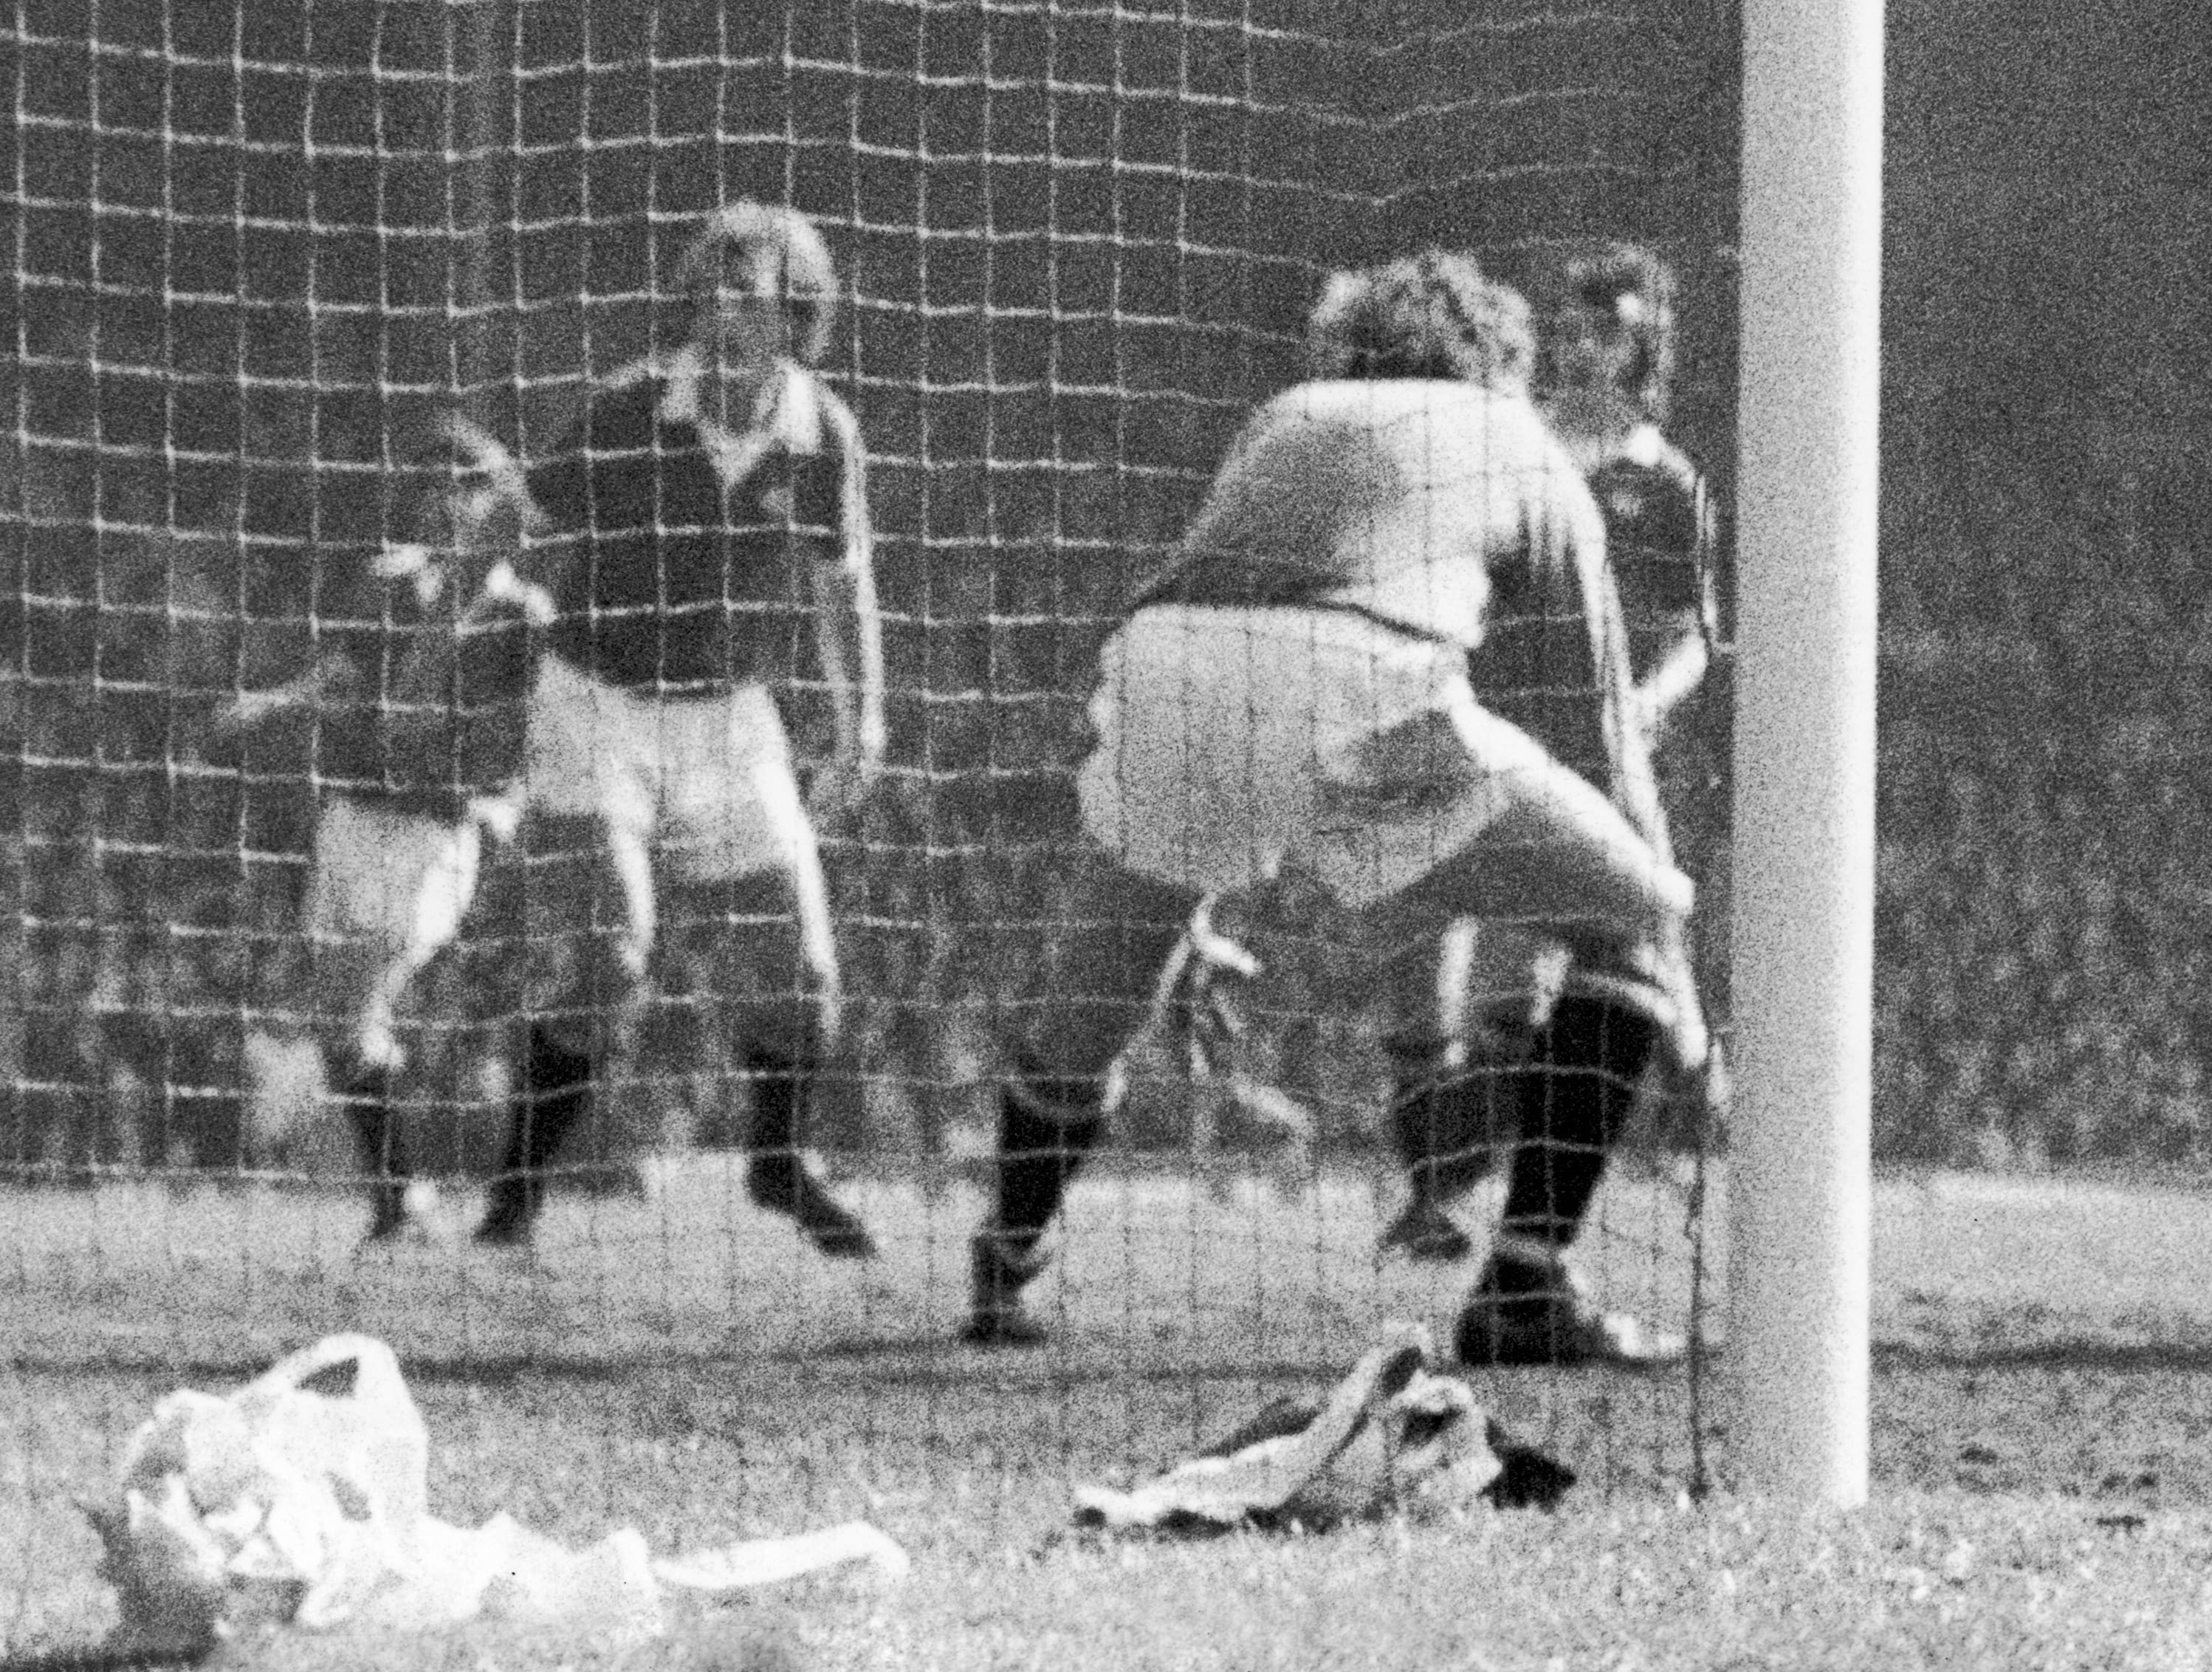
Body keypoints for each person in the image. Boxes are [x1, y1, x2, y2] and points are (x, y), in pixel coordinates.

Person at [964, 248, 1708, 1366]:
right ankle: (1522, 1278)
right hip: (1370, 683)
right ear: (1501, 357)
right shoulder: (1520, 438)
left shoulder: (1287, 414)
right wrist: (1684, 1001)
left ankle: (1005, 1256)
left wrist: (1193, 898)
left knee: (1090, 1007)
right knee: (1631, 927)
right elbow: (1603, 744)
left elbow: (1216, 608)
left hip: (1160, 666)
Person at [472, 202, 890, 1258]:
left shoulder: (822, 432)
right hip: (595, 701)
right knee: (615, 955)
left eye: (749, 291)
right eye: (713, 286)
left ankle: (779, 1166)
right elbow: (520, 514)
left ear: (799, 312)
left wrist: (862, 715)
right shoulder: (626, 408)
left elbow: (846, 585)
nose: (724, 308)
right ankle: (514, 1194)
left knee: (805, 977)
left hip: (732, 718)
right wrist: (468, 604)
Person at [1377, 240, 1722, 1264]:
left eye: (1604, 328)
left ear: (1645, 341)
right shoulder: (1510, 444)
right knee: (1415, 958)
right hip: (1471, 716)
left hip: (1584, 744)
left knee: (1529, 970)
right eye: (1568, 327)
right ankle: (1438, 1179)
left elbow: (1695, 633)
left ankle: (1492, 1194)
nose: (1582, 346)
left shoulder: (1665, 487)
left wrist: (1643, 700)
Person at [213, 417, 554, 1241]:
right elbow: (346, 672)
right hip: (354, 816)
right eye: (435, 483)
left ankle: (412, 1190)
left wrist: (510, 802)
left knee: (363, 1001)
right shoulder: (391, 583)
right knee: (339, 1022)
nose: (446, 501)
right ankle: (403, 1190)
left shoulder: (524, 616)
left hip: (434, 834)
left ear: (493, 501)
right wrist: (269, 703)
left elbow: (543, 727)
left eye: (465, 486)